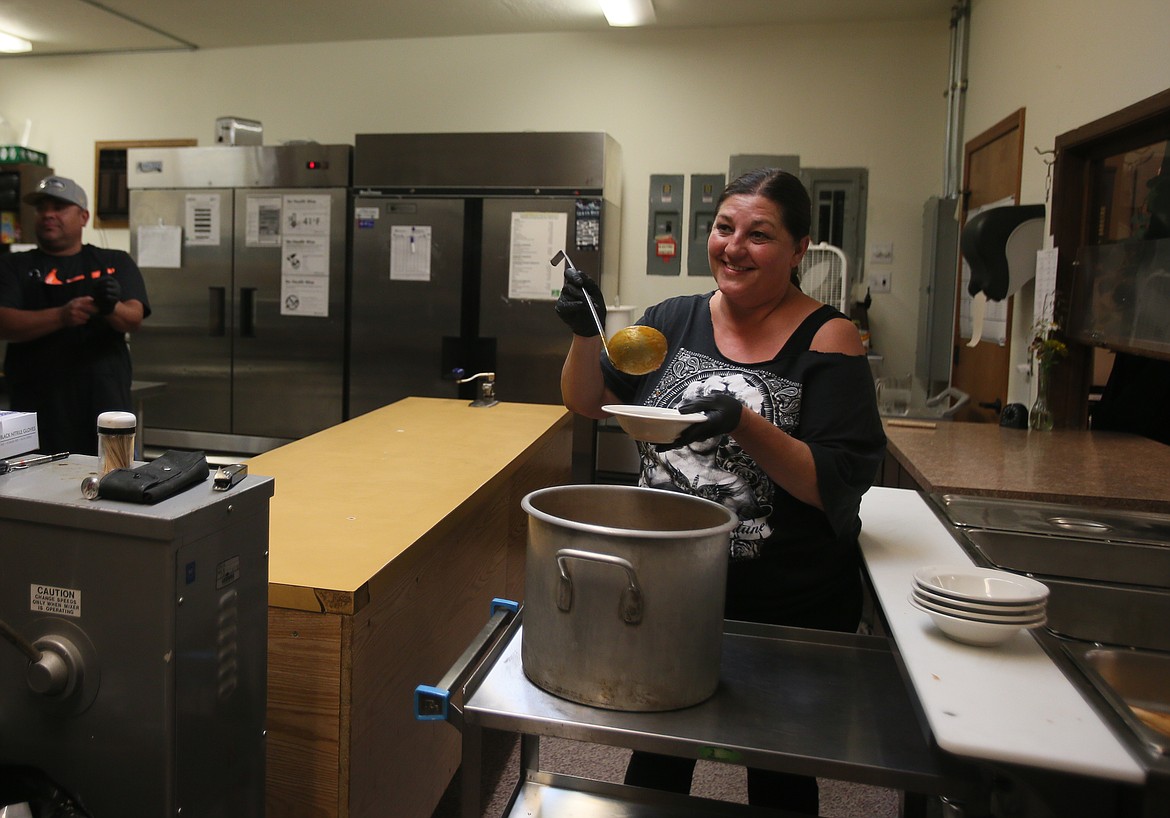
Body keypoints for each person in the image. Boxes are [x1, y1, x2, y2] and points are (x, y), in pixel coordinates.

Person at [555, 168, 886, 814]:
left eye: (759, 234)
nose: (733, 247)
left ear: (799, 250)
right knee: (656, 747)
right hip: (669, 588)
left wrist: (745, 422)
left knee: (780, 771)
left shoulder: (828, 337)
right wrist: (581, 333)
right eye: (724, 228)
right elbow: (587, 401)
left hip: (784, 605)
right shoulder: (670, 322)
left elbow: (833, 485)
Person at [0, 175, 150, 455]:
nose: (48, 215)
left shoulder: (115, 262)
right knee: (32, 490)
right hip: (35, 409)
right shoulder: (13, 265)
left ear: (83, 216)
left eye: (59, 207)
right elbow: (4, 323)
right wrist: (61, 316)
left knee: (112, 482)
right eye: (42, 208)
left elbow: (134, 318)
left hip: (103, 405)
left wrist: (110, 306)